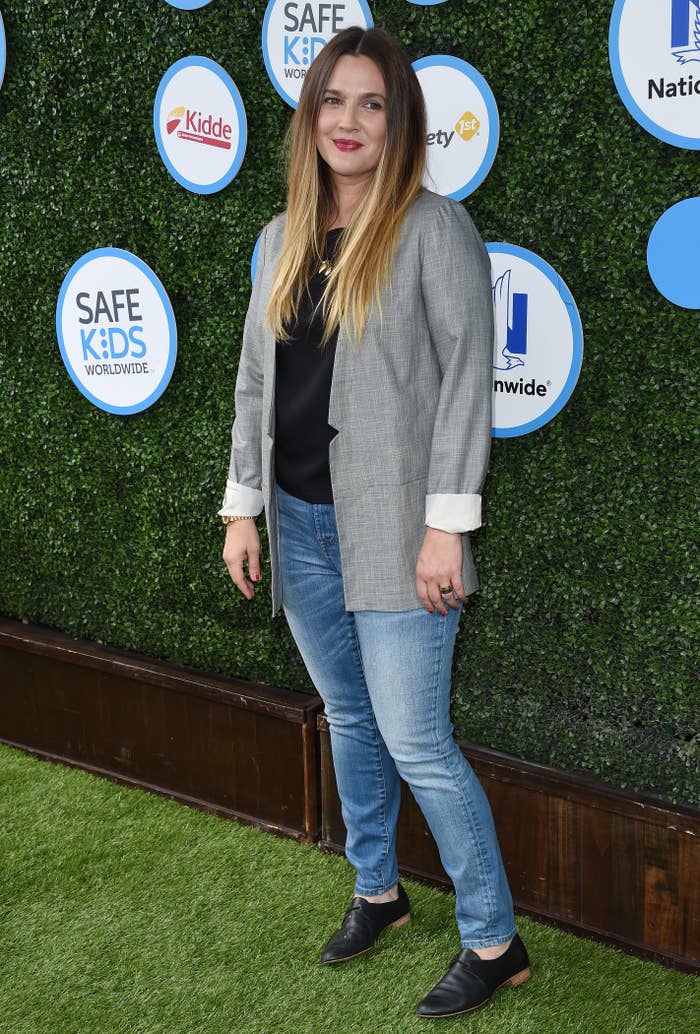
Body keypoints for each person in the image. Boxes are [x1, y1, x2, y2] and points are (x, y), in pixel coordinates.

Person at [220, 25, 531, 1020]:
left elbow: (466, 386)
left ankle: (494, 939)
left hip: (399, 532)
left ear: (400, 125)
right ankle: (378, 890)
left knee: (418, 740)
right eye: (333, 100)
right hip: (301, 525)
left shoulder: (434, 228)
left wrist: (447, 528)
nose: (348, 121)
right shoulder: (279, 237)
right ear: (309, 115)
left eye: (372, 103)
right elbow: (256, 383)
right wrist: (242, 508)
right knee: (349, 718)